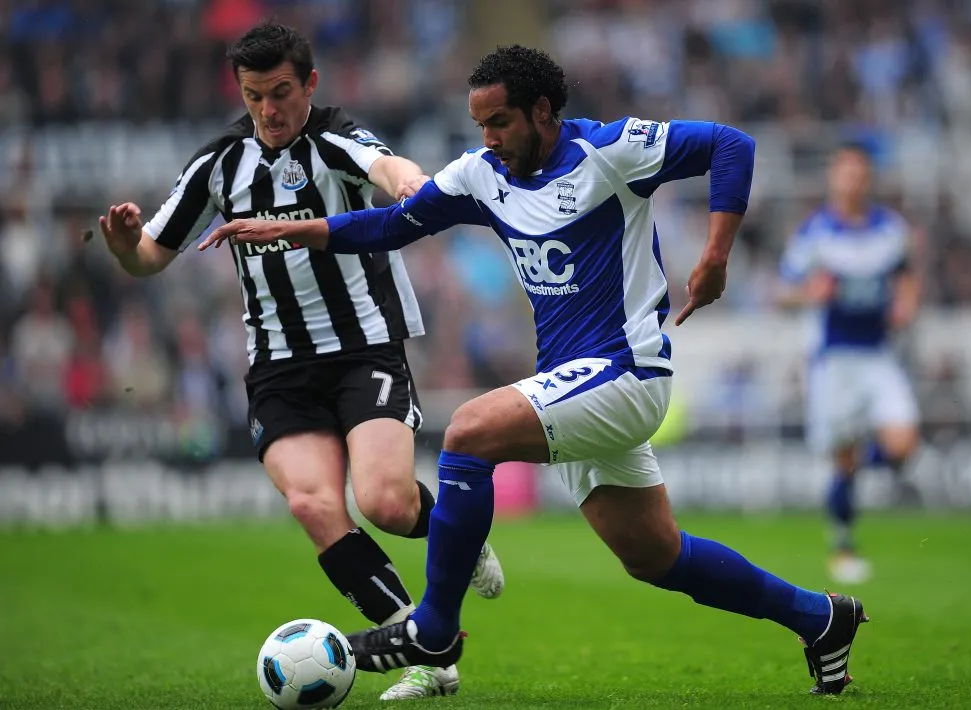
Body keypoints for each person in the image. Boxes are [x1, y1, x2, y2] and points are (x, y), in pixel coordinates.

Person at [201, 44, 869, 696]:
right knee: (655, 556)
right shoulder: (481, 176)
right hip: (573, 384)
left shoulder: (608, 151)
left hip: (627, 372)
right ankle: (822, 618)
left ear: (543, 111)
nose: (488, 137)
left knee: (468, 431)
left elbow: (732, 146)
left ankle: (433, 628)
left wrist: (716, 256)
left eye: (500, 122)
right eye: (480, 124)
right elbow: (392, 225)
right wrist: (296, 230)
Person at [97, 22, 504, 701]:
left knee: (383, 501)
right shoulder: (218, 164)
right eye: (255, 96)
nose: (269, 110)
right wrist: (122, 244)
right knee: (315, 504)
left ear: (309, 84)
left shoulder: (337, 138)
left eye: (282, 92)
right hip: (279, 368)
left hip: (362, 347)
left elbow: (390, 168)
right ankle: (426, 648)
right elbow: (147, 260)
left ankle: (460, 540)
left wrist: (414, 186)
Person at [778, 144, 922, 584]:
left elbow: (907, 275)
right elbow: (783, 292)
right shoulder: (815, 233)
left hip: (878, 354)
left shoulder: (891, 229)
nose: (853, 181)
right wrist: (809, 295)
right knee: (842, 458)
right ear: (833, 179)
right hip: (833, 359)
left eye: (860, 174)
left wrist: (906, 304)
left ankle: (858, 469)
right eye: (845, 173)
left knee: (902, 444)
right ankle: (842, 542)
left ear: (869, 179)